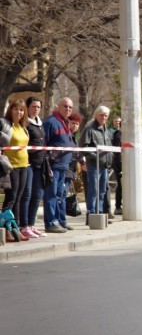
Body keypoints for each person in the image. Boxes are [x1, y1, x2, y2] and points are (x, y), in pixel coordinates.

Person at [42, 97, 75, 233]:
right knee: (51, 194)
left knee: (59, 196)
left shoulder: (65, 123)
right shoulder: (51, 122)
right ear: (58, 106)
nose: (67, 109)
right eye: (65, 106)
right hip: (53, 166)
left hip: (64, 166)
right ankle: (50, 222)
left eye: (70, 107)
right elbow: (43, 144)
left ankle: (60, 221)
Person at [0, 99, 30, 241]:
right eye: (16, 109)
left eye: (22, 110)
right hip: (10, 166)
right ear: (10, 110)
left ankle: (15, 228)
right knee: (11, 198)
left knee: (18, 198)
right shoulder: (5, 125)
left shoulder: (23, 127)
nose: (19, 112)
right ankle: (5, 230)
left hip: (24, 165)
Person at [79, 106, 114, 221]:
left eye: (106, 115)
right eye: (102, 115)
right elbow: (84, 147)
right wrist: (95, 157)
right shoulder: (89, 129)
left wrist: (110, 158)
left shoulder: (106, 130)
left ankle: (99, 214)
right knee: (93, 190)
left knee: (102, 191)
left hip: (105, 166)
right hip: (94, 165)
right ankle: (91, 214)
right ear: (96, 115)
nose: (104, 117)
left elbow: (109, 147)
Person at [19, 96, 47, 238]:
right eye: (33, 107)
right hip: (28, 163)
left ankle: (31, 224)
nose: (36, 109)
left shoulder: (39, 123)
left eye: (38, 107)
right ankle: (23, 226)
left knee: (37, 195)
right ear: (27, 108)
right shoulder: (25, 124)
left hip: (40, 164)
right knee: (27, 194)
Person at [60, 113, 83, 230]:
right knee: (61, 196)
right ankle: (61, 221)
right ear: (68, 123)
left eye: (77, 124)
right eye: (73, 123)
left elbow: (77, 154)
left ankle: (62, 221)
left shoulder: (74, 137)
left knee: (63, 195)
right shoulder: (66, 135)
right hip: (64, 169)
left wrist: (82, 163)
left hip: (71, 171)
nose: (75, 126)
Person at [111, 116, 123, 215]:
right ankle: (118, 206)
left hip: (126, 162)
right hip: (119, 163)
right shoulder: (118, 134)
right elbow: (117, 151)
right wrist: (120, 165)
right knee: (120, 184)